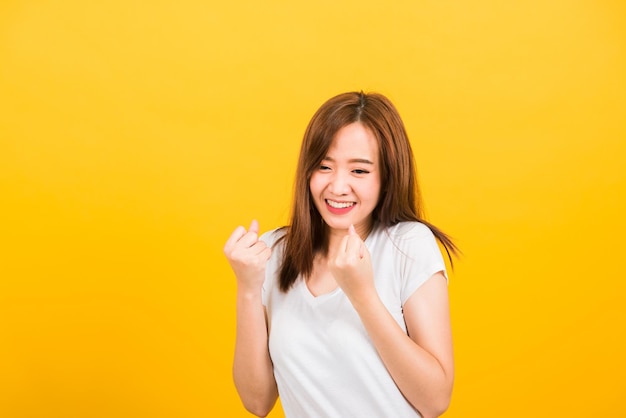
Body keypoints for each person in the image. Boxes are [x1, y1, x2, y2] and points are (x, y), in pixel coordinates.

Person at [224, 91, 458, 418]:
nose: (337, 186)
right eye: (324, 166)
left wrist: (362, 294)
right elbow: (257, 401)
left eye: (359, 171)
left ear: (387, 178)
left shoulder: (408, 245)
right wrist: (248, 288)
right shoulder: (276, 252)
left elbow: (435, 400)